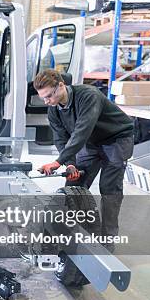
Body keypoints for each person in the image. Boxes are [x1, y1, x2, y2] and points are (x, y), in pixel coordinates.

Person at [34, 69, 134, 250]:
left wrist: (58, 162)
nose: (47, 101)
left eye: (49, 96)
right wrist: (70, 163)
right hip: (90, 142)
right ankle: (73, 232)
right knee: (74, 185)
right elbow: (61, 139)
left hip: (116, 139)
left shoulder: (88, 95)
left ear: (61, 86)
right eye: (43, 98)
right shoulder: (54, 110)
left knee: (109, 188)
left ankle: (107, 240)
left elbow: (82, 130)